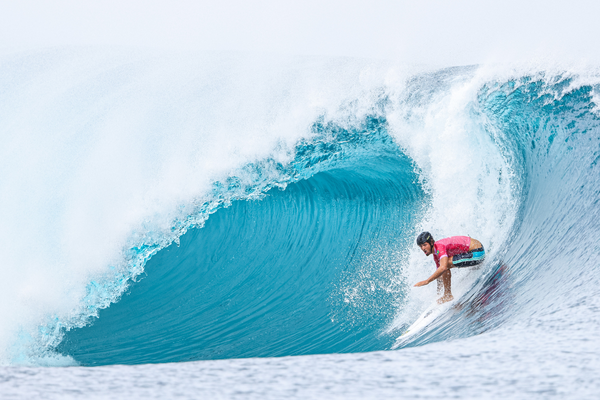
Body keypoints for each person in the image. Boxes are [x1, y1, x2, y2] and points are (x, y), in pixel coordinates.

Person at [413, 232, 485, 304]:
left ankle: (448, 295)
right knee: (442, 267)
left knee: (445, 265)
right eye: (421, 246)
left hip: (478, 253)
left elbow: (444, 268)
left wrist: (427, 281)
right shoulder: (436, 255)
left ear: (431, 242)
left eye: (425, 245)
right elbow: (440, 274)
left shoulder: (439, 247)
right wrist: (438, 295)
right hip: (476, 252)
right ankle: (446, 295)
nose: (423, 248)